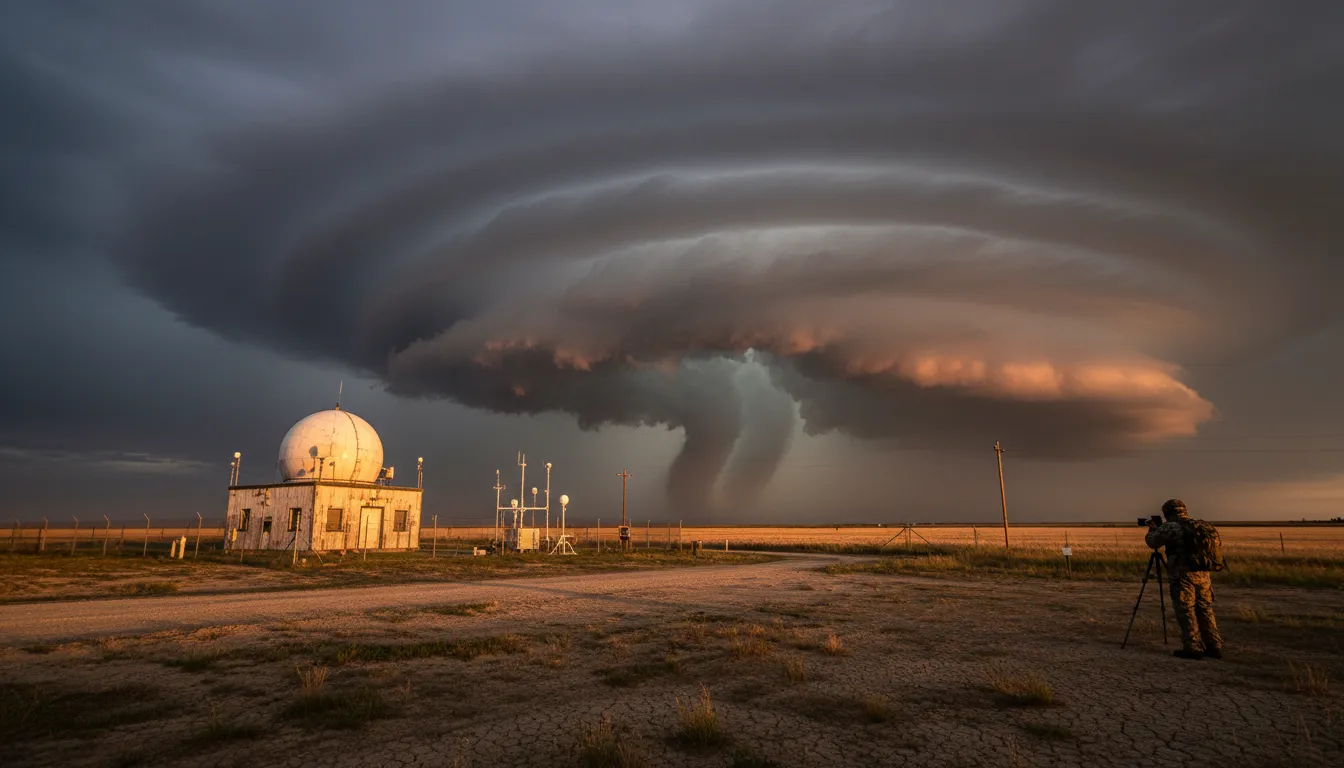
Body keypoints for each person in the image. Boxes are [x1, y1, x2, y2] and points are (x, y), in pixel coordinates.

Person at [1146, 499, 1223, 660]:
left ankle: (1192, 646)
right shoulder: (1202, 526)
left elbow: (1153, 542)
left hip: (1183, 574)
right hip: (1203, 574)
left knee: (1186, 608)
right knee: (1205, 608)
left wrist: (1152, 529)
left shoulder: (1172, 526)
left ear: (1167, 513)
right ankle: (1214, 645)